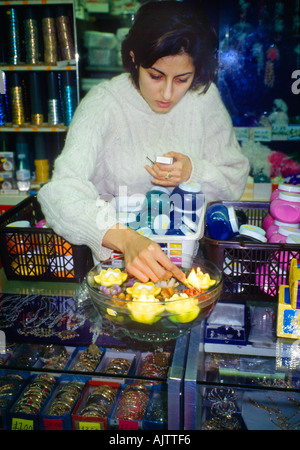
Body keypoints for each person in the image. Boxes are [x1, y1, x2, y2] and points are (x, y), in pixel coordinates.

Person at [38, 0, 249, 283]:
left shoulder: (204, 99)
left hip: (186, 271)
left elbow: (234, 180)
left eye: (182, 79)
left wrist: (193, 172)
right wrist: (125, 239)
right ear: (135, 58)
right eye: (155, 75)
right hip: (114, 274)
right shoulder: (104, 103)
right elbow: (60, 193)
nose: (167, 93)